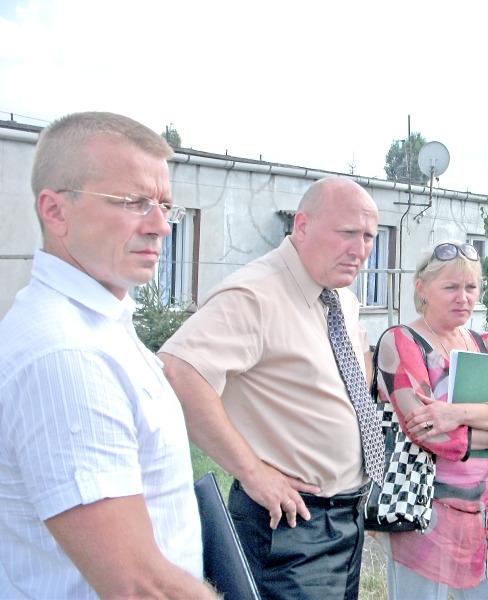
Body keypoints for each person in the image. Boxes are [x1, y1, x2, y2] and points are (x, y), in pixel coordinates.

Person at [0, 112, 216, 599]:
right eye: (134, 203)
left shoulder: (100, 325)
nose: (161, 226)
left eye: (164, 205)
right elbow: (137, 585)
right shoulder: (66, 355)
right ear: (56, 211)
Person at [159, 176, 381, 600]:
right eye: (348, 232)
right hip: (289, 528)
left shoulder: (340, 298)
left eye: (369, 236)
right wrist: (252, 471)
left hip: (345, 520)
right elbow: (178, 371)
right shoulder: (255, 294)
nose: (361, 249)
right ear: (302, 225)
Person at [374, 241, 488, 600]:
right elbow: (428, 433)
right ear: (422, 288)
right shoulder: (401, 342)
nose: (463, 297)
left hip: (485, 514)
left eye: (471, 287)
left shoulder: (487, 344)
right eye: (450, 287)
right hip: (421, 511)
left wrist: (455, 413)